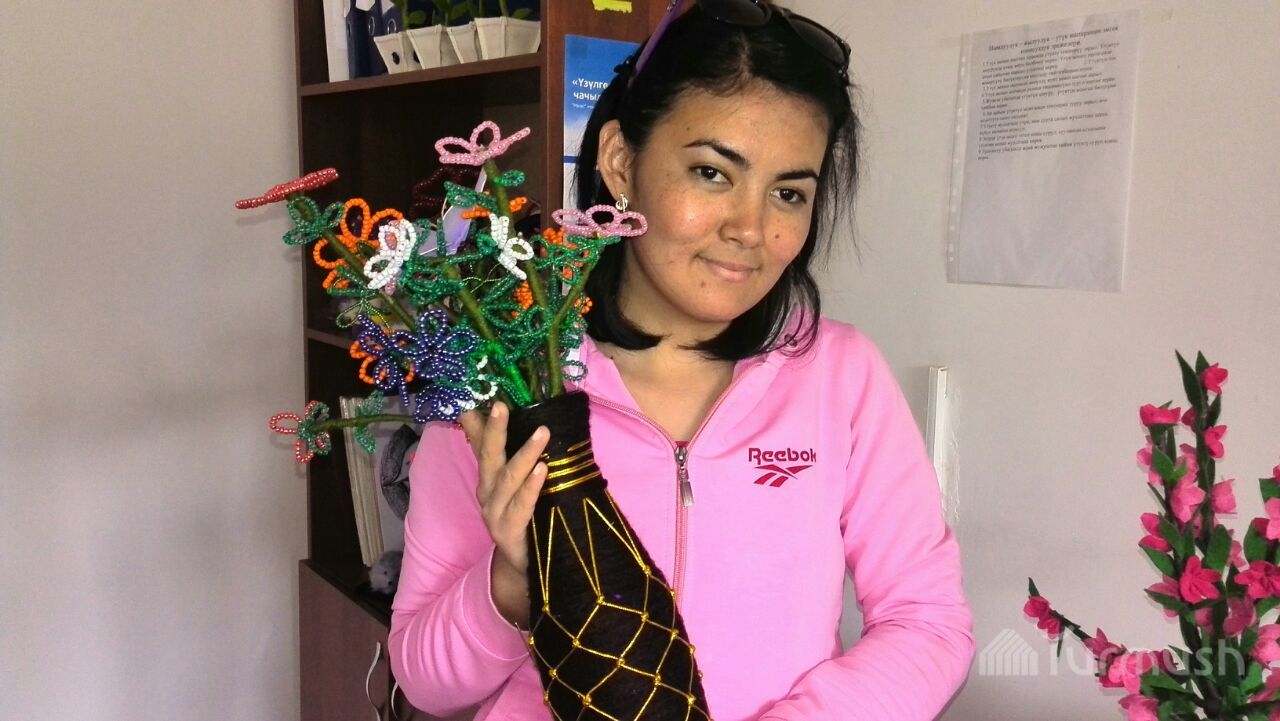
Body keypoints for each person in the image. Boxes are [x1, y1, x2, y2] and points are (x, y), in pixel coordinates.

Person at [389, 2, 975, 719]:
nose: (751, 229)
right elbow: (423, 679)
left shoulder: (842, 377)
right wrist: (509, 582)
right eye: (712, 173)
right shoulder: (508, 379)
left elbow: (929, 624)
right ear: (620, 161)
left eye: (788, 192)